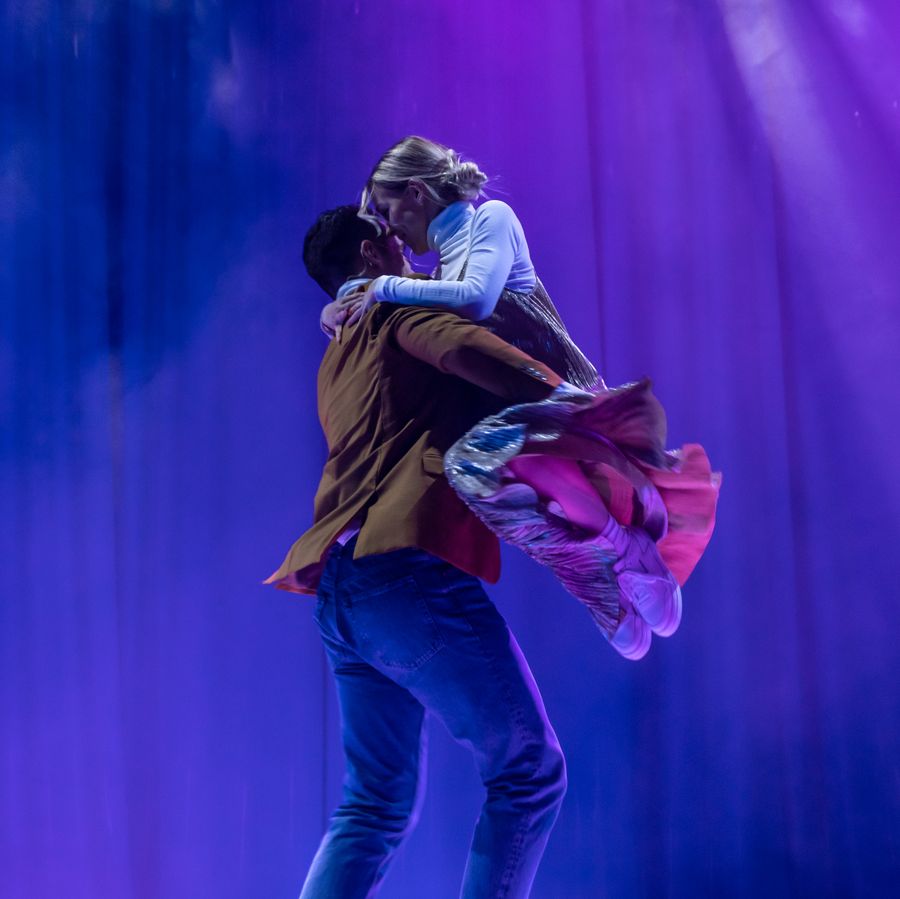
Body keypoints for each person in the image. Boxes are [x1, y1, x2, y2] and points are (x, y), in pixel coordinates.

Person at [264, 206, 664, 898]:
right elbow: (468, 353)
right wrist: (573, 402)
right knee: (529, 772)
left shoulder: (337, 350)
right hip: (402, 575)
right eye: (393, 239)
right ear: (370, 254)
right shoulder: (398, 311)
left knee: (374, 803)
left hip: (342, 589)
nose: (408, 247)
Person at [320, 135, 599, 390]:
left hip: (572, 411)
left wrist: (383, 287)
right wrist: (336, 307)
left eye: (386, 210)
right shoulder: (440, 277)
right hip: (516, 416)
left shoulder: (493, 217)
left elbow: (476, 299)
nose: (390, 229)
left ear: (416, 192)